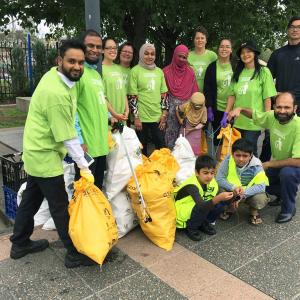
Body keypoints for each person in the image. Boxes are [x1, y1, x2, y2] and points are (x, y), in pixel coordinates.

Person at [10, 39, 96, 268]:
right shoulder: (55, 93)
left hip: (36, 150)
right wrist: (85, 166)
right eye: (71, 61)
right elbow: (67, 136)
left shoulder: (55, 75)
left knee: (31, 198)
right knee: (59, 204)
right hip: (44, 154)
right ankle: (73, 253)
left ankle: (19, 243)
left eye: (80, 62)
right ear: (59, 60)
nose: (77, 66)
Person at [228, 92, 300, 223]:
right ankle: (283, 194)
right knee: (260, 184)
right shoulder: (272, 116)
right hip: (278, 163)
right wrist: (240, 109)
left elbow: (297, 161)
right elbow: (255, 115)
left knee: (287, 174)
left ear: (295, 108)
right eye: (279, 107)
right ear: (274, 107)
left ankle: (288, 208)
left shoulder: (298, 126)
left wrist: (267, 164)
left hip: (294, 166)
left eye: (287, 107)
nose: (282, 111)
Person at [75, 30, 123, 189]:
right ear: (82, 47)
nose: (95, 49)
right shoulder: (78, 73)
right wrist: (79, 141)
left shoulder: (95, 75)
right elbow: (72, 110)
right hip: (87, 148)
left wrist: (111, 116)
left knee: (97, 189)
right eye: (90, 45)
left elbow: (100, 102)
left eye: (98, 46)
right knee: (84, 193)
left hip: (101, 144)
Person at [222, 41, 277, 156]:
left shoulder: (263, 72)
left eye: (248, 51)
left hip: (254, 123)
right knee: (236, 154)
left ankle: (253, 174)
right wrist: (226, 113)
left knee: (250, 154)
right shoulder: (237, 73)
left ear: (255, 53)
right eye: (242, 53)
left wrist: (267, 118)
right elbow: (232, 95)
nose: (245, 55)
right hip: (237, 122)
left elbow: (267, 97)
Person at [174, 155, 233, 241]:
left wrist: (234, 195)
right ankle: (191, 228)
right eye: (205, 173)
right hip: (182, 210)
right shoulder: (192, 186)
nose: (209, 176)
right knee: (206, 205)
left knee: (219, 204)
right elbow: (202, 206)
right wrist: (219, 198)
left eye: (212, 173)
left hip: (197, 204)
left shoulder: (211, 181)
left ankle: (203, 223)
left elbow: (217, 193)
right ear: (197, 172)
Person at [216, 138, 269, 225]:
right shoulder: (228, 159)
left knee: (260, 199)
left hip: (248, 192)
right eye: (238, 155)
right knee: (218, 190)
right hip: (233, 189)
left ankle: (253, 210)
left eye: (245, 156)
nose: (241, 159)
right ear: (232, 154)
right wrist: (234, 187)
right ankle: (231, 207)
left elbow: (261, 186)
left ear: (251, 155)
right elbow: (219, 178)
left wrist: (243, 194)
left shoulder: (257, 165)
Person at [128, 43, 168, 156]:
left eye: (152, 54)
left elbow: (164, 94)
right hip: (141, 118)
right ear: (141, 54)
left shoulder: (159, 72)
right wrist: (136, 117)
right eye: (146, 54)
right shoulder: (135, 71)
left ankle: (162, 171)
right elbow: (132, 96)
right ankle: (143, 172)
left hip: (157, 117)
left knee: (161, 147)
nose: (149, 56)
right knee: (141, 149)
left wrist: (164, 115)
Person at [163, 44, 199, 149]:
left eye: (185, 57)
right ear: (174, 56)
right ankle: (170, 160)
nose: (182, 59)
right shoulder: (165, 72)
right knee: (170, 138)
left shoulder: (190, 72)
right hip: (170, 112)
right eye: (180, 56)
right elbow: (162, 94)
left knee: (185, 138)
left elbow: (195, 92)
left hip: (187, 110)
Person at [204, 39, 233, 146]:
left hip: (233, 111)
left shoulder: (237, 66)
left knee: (231, 141)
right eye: (222, 46)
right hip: (217, 110)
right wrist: (209, 108)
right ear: (218, 49)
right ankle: (218, 163)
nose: (224, 49)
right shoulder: (212, 67)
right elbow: (208, 89)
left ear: (231, 50)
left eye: (227, 46)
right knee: (218, 142)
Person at [268, 16, 300, 114]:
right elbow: (266, 80)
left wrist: (290, 96)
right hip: (280, 108)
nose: (295, 29)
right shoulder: (277, 54)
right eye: (292, 27)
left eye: (298, 27)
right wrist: (274, 95)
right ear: (288, 30)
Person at [102, 37, 129, 120]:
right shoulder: (100, 69)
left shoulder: (118, 68)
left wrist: (127, 110)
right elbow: (102, 97)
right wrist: (114, 114)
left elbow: (123, 92)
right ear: (102, 50)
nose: (113, 50)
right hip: (110, 118)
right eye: (109, 48)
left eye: (114, 48)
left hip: (122, 116)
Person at [188, 26, 217, 92]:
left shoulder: (213, 56)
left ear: (206, 40)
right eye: (197, 38)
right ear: (194, 40)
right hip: (191, 94)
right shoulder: (188, 56)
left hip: (208, 93)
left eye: (202, 38)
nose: (200, 40)